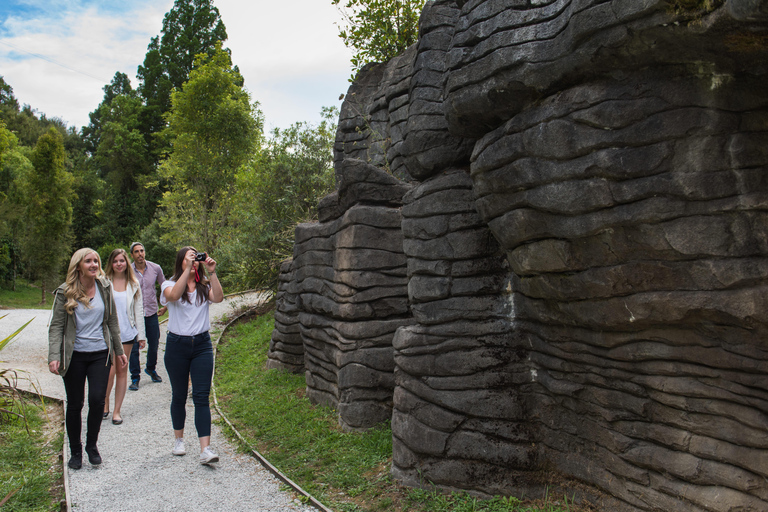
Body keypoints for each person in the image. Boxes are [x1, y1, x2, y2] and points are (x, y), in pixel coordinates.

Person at [48, 248, 127, 469]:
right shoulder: (65, 292)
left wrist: (119, 351)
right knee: (75, 404)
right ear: (78, 265)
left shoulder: (104, 287)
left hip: (100, 354)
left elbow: (112, 321)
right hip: (74, 355)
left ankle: (91, 446)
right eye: (88, 261)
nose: (93, 265)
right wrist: (54, 356)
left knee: (96, 400)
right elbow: (56, 327)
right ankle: (75, 451)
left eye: (96, 261)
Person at [161, 246, 224, 464]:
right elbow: (175, 296)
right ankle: (179, 439)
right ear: (181, 261)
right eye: (190, 257)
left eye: (196, 257)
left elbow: (219, 298)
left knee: (201, 396)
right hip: (177, 345)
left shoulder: (203, 286)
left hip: (202, 345)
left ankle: (205, 449)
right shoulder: (168, 284)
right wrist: (186, 270)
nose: (194, 260)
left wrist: (212, 271)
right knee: (179, 394)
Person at [103, 248, 146, 424]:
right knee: (108, 371)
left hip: (127, 333)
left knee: (122, 370)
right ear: (111, 264)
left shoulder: (133, 283)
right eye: (115, 261)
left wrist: (141, 336)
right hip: (107, 334)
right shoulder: (104, 282)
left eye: (121, 261)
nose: (119, 264)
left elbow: (138, 310)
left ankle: (116, 411)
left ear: (126, 262)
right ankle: (104, 404)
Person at [128, 242, 166, 390]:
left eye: (142, 251)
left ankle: (151, 368)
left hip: (151, 313)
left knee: (154, 343)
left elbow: (164, 286)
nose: (140, 254)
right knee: (134, 347)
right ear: (132, 255)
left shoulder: (155, 268)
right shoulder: (128, 271)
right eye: (136, 252)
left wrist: (165, 306)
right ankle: (135, 377)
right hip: (134, 316)